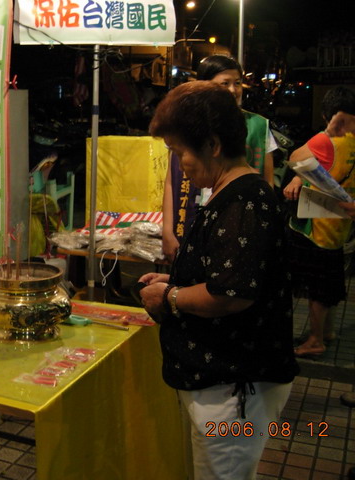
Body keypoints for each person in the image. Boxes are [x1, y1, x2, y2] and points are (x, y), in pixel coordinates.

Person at [138, 81, 298, 480]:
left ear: (212, 144)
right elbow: (227, 271)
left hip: (234, 390)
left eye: (180, 152)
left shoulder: (245, 201)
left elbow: (231, 294)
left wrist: (170, 296)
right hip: (221, 382)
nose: (181, 165)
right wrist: (177, 278)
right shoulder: (230, 192)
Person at [161, 55, 278, 261]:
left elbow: (268, 181)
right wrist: (167, 231)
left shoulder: (258, 126)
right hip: (193, 217)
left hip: (238, 219)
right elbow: (172, 180)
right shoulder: (185, 125)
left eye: (237, 83)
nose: (233, 90)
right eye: (225, 83)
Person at [282, 87, 355, 358]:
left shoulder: (329, 140)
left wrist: (327, 131)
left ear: (327, 115)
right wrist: (299, 179)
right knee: (329, 282)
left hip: (318, 225)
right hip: (340, 226)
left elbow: (295, 158)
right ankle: (327, 331)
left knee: (316, 285)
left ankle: (315, 340)